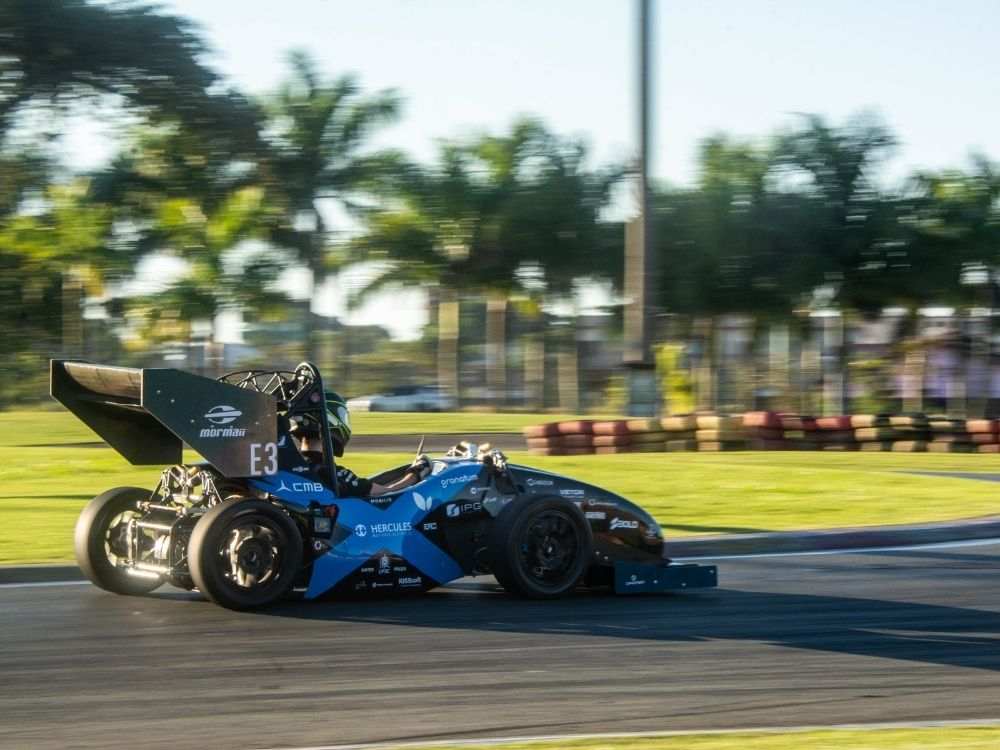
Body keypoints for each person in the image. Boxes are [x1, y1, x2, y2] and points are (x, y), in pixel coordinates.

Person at [290, 390, 431, 497]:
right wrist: (416, 472)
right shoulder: (332, 473)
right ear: (332, 421)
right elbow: (388, 492)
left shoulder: (293, 467)